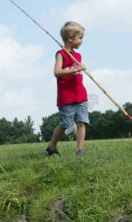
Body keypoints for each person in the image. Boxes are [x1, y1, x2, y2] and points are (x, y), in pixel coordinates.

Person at [46, 21, 89, 157]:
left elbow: (77, 71)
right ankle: (52, 147)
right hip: (67, 98)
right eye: (80, 37)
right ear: (70, 38)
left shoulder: (78, 56)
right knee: (65, 124)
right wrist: (73, 69)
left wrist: (79, 68)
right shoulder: (61, 54)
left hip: (81, 95)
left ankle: (80, 151)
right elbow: (57, 72)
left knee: (82, 122)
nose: (82, 41)